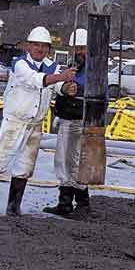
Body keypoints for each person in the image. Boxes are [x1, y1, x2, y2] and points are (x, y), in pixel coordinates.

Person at [0, 26, 76, 219]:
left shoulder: (52, 66)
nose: (40, 49)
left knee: (25, 167)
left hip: (35, 125)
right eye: (36, 45)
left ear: (49, 49)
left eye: (44, 46)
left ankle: (13, 207)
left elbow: (57, 85)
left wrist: (66, 87)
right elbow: (35, 80)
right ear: (28, 46)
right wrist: (61, 78)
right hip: (14, 122)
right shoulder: (20, 64)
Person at [44, 28, 89, 217]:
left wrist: (76, 89)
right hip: (68, 117)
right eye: (75, 48)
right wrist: (64, 87)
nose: (78, 52)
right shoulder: (73, 66)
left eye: (81, 48)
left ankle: (82, 204)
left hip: (81, 119)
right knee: (63, 160)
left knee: (77, 161)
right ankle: (66, 203)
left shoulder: (94, 69)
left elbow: (96, 90)